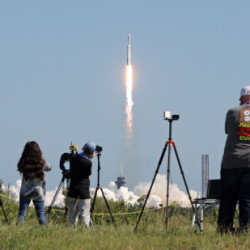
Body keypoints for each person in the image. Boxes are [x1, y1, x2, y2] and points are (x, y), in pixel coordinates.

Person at [218, 86, 250, 234]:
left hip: (231, 161)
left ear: (241, 97)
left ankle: (224, 230)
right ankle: (245, 231)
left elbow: (227, 130)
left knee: (227, 200)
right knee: (247, 200)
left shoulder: (232, 111)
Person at [17, 141, 51, 225]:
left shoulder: (23, 162)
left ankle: (18, 230)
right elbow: (49, 168)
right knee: (40, 214)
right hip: (38, 191)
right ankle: (44, 233)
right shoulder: (41, 162)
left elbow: (19, 167)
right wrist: (41, 157)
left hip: (25, 191)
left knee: (22, 213)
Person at [67, 141, 96, 228]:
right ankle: (85, 233)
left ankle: (71, 231)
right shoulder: (88, 163)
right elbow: (88, 173)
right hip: (83, 191)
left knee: (72, 213)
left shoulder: (73, 158)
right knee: (84, 214)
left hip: (72, 190)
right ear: (91, 152)